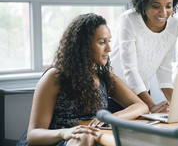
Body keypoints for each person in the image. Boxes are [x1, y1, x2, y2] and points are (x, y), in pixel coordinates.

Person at [17, 13, 148, 146]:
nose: (109, 49)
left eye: (109, 41)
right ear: (83, 46)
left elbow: (141, 106)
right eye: (102, 42)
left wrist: (112, 118)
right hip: (56, 141)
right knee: (85, 138)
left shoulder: (105, 78)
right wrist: (65, 132)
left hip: (88, 140)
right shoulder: (55, 77)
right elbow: (33, 136)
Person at [110, 0, 178, 113]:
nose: (163, 13)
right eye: (156, 6)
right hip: (114, 92)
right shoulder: (129, 20)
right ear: (144, 4)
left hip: (142, 91)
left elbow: (164, 70)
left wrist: (177, 107)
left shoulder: (174, 25)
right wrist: (151, 106)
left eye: (168, 6)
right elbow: (129, 70)